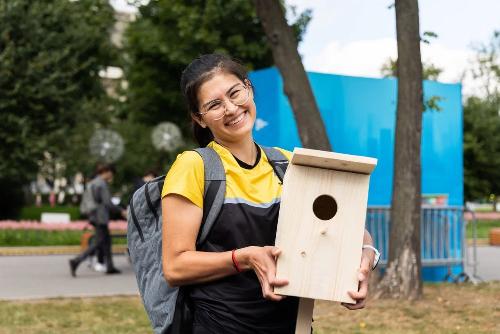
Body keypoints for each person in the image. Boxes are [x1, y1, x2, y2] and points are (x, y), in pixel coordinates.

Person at [161, 54, 378, 334]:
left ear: (248, 89)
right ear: (199, 119)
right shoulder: (193, 166)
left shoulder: (289, 165)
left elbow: (349, 231)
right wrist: (244, 258)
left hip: (292, 326)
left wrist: (366, 256)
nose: (230, 108)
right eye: (214, 105)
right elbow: (175, 266)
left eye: (235, 93)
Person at [69, 164, 127, 276]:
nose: (112, 176)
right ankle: (76, 261)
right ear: (106, 172)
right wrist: (121, 211)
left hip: (94, 216)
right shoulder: (101, 184)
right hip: (100, 217)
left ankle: (110, 266)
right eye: (111, 173)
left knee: (106, 241)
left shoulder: (94, 182)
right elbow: (107, 203)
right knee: (98, 242)